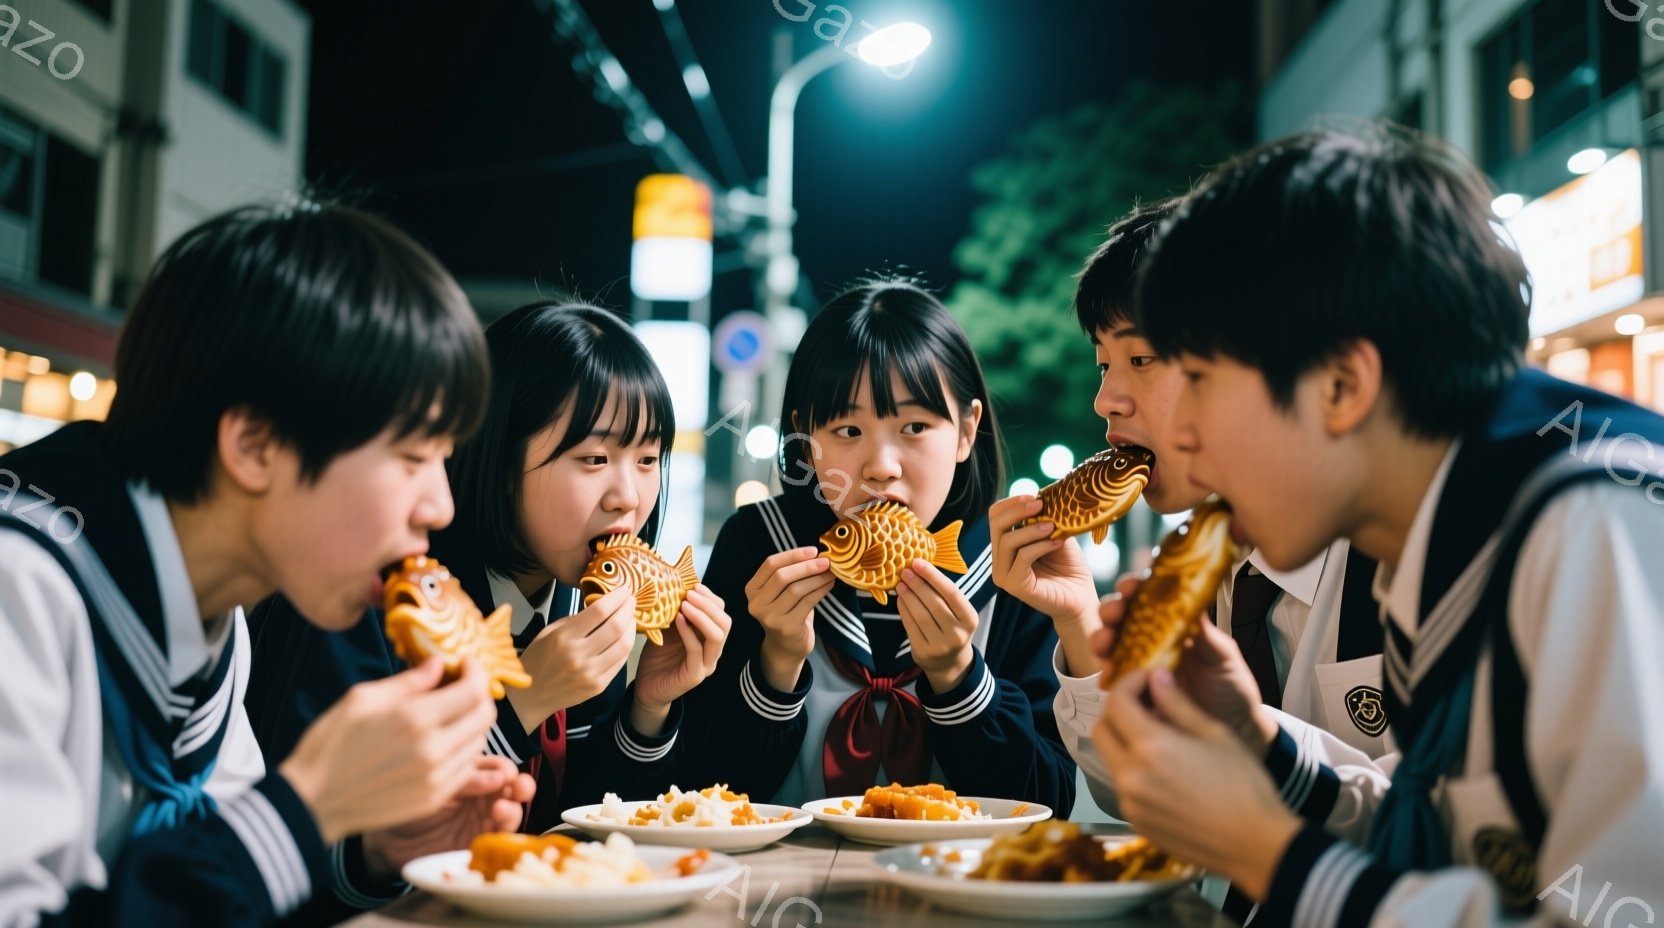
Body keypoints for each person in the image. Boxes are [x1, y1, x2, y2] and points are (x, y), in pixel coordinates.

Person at [1093, 125, 1664, 925]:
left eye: (1202, 378)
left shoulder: (1600, 526)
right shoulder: (1435, 536)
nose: (1183, 435)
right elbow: (1464, 835)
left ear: (1341, 383)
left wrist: (1268, 850)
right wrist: (1259, 741)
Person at [0, 202, 530, 925]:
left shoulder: (215, 616)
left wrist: (374, 846)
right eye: (411, 457)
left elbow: (220, 870)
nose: (439, 505)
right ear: (254, 445)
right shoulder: (21, 590)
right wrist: (308, 805)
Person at [248, 301, 731, 840]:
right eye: (594, 459)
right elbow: (326, 845)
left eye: (647, 460)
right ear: (498, 461)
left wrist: (648, 705)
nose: (629, 498)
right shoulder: (375, 601)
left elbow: (592, 823)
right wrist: (522, 704)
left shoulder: (581, 598)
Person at [988, 198, 1389, 833]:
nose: (1104, 401)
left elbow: (1451, 828)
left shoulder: (1403, 555)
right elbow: (1143, 798)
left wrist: (1251, 737)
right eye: (1103, 364)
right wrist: (1078, 619)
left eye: (1140, 359)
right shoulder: (1203, 564)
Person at [687, 280, 1075, 810]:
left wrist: (959, 675)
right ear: (804, 436)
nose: (881, 468)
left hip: (967, 886)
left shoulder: (1018, 563)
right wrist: (776, 662)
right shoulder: (757, 547)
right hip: (783, 889)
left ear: (966, 431)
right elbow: (704, 789)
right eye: (847, 430)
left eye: (914, 426)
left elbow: (1049, 798)